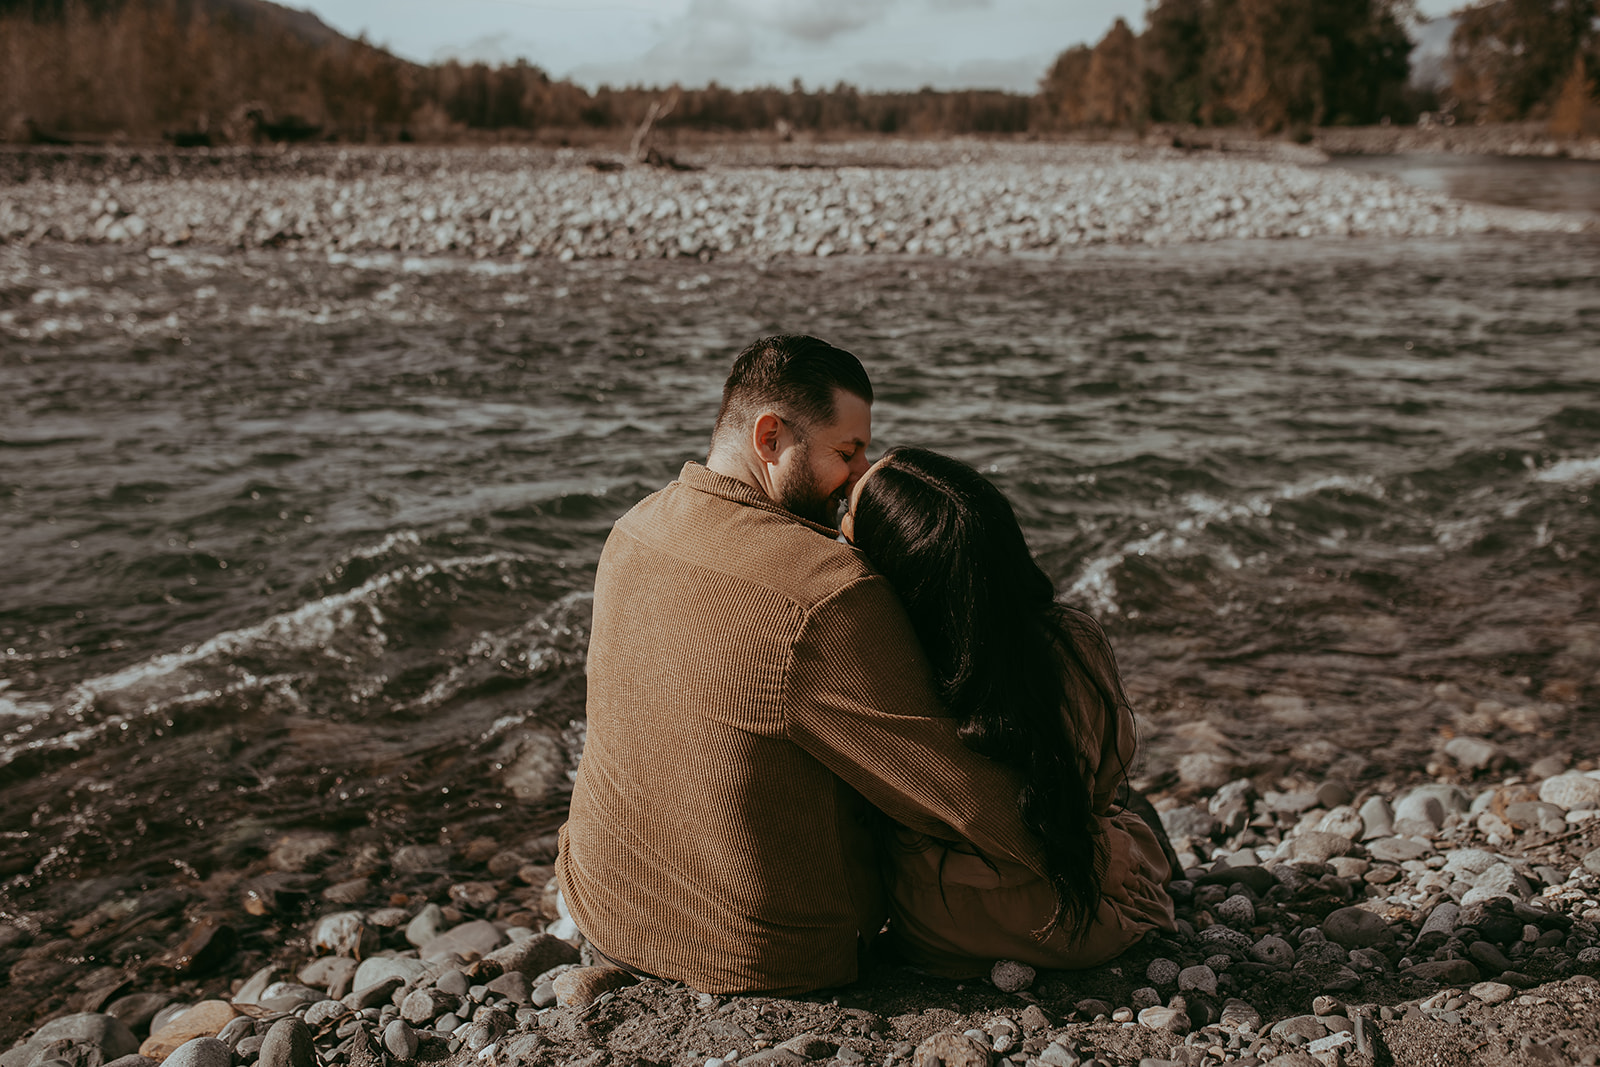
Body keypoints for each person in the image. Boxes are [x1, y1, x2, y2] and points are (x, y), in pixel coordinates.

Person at [556, 335, 1052, 995]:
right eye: (846, 452)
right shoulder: (826, 587)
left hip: (603, 905)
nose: (861, 477)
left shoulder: (633, 527)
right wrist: (1100, 840)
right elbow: (959, 796)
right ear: (770, 437)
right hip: (759, 952)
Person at [840, 446, 1176, 976]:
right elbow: (1106, 781)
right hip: (1079, 925)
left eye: (847, 519)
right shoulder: (1073, 641)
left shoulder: (883, 663)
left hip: (939, 928)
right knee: (1133, 830)